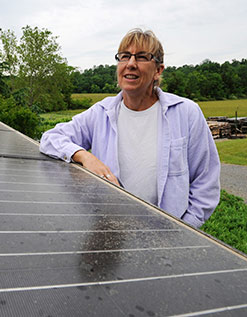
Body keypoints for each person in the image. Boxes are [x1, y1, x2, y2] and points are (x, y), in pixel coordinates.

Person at [39, 28, 220, 228]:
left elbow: (206, 180)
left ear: (158, 70)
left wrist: (185, 229)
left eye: (142, 57)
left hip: (167, 237)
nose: (131, 64)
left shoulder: (186, 113)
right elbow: (51, 138)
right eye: (124, 56)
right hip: (110, 233)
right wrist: (84, 156)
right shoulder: (101, 113)